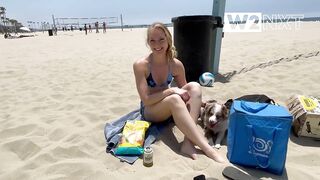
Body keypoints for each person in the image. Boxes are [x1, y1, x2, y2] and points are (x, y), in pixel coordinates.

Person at [133, 22, 224, 163]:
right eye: (152, 40)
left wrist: (203, 103)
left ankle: (188, 143)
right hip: (151, 110)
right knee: (174, 98)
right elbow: (146, 100)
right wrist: (171, 90)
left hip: (170, 108)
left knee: (194, 86)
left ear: (168, 40)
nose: (157, 44)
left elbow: (187, 93)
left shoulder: (176, 65)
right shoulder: (141, 65)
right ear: (148, 43)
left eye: (161, 39)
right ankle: (207, 149)